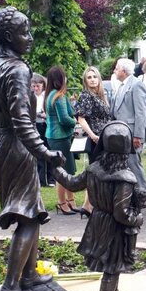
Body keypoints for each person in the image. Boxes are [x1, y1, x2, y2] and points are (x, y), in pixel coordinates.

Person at [0, 7, 64, 291]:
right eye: (25, 32)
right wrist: (45, 153)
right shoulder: (17, 69)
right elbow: (22, 120)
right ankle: (11, 286)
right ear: (9, 36)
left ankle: (29, 276)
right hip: (14, 148)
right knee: (26, 219)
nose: (30, 38)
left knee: (32, 213)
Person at [54, 121, 142, 291]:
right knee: (112, 268)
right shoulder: (125, 178)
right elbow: (121, 212)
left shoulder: (93, 169)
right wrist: (137, 219)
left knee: (112, 266)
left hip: (97, 223)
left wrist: (55, 168)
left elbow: (73, 183)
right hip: (114, 228)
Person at [75, 66, 112, 215]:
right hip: (96, 138)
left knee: (100, 172)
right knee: (97, 172)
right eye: (89, 77)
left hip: (105, 137)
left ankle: (87, 205)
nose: (92, 79)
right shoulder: (86, 95)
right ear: (85, 80)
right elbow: (81, 118)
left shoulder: (101, 95)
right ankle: (92, 205)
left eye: (94, 77)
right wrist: (92, 135)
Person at [111, 58, 146, 196]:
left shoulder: (136, 84)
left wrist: (138, 135)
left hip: (133, 133)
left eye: (116, 68)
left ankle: (144, 194)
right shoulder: (122, 85)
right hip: (122, 133)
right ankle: (134, 193)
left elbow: (140, 112)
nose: (114, 71)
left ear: (123, 70)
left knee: (134, 164)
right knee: (127, 164)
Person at [44, 66, 79, 216]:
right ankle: (62, 202)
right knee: (64, 172)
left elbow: (69, 112)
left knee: (67, 171)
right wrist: (75, 123)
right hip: (60, 138)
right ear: (60, 79)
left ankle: (71, 201)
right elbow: (65, 119)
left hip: (53, 137)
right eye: (64, 76)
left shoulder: (51, 95)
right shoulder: (59, 96)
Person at [31, 73, 55, 188]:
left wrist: (46, 114)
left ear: (43, 86)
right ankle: (40, 180)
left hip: (46, 125)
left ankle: (51, 179)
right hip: (35, 126)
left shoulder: (47, 96)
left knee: (49, 151)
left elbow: (51, 111)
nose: (36, 89)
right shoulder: (30, 96)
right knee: (38, 153)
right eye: (34, 86)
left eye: (38, 86)